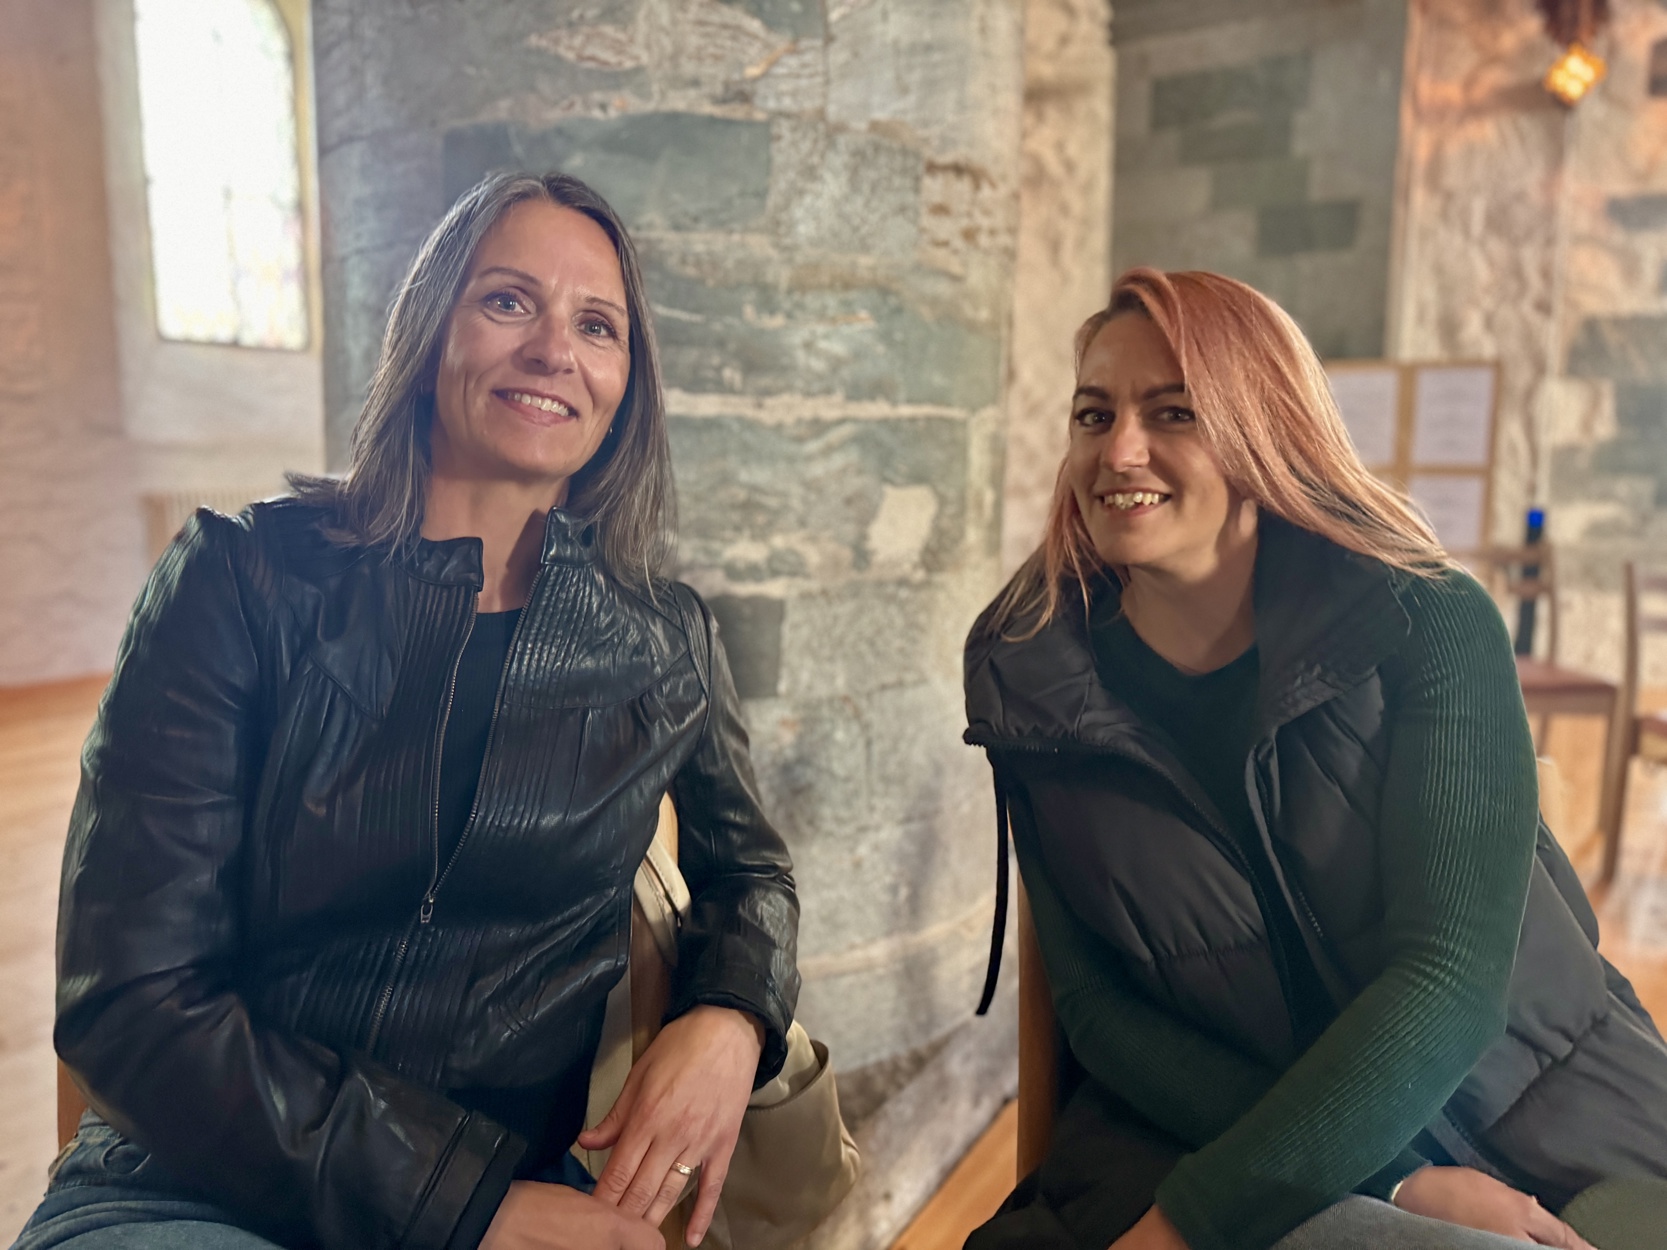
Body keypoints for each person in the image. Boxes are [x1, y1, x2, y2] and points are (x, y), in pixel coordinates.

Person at [15, 171, 800, 1250]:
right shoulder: (241, 581)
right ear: (433, 331)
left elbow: (751, 869)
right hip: (197, 1183)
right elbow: (130, 1000)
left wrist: (729, 1015)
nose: (552, 350)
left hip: (514, 1180)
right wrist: (464, 1205)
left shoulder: (664, 636)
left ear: (627, 383)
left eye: (597, 324)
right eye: (508, 300)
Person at [962, 268, 1667, 1250]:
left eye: (1173, 411)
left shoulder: (1425, 617)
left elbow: (1451, 979)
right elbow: (1096, 1005)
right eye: (1093, 414)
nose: (1118, 450)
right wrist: (1399, 1182)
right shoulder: (1027, 667)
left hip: (1547, 1118)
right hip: (1193, 1131)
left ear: (1263, 426)